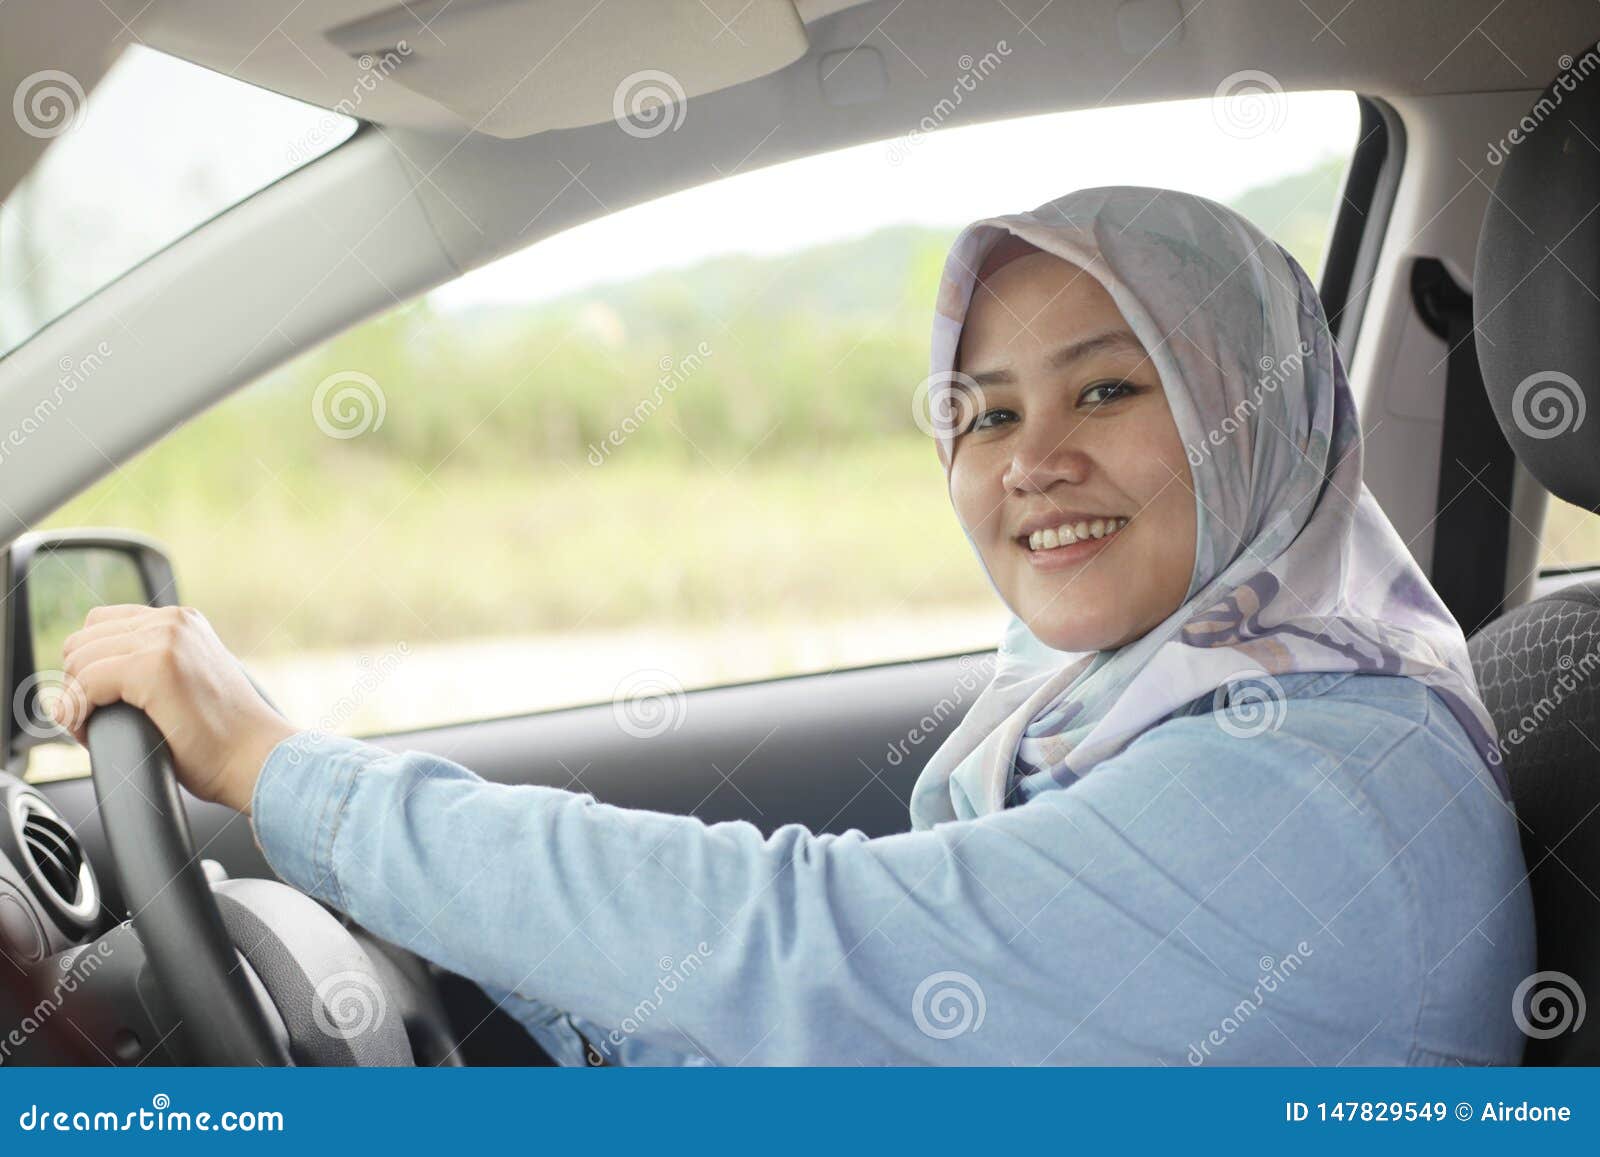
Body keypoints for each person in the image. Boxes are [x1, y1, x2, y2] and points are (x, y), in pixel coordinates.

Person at [54, 186, 1534, 1065]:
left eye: (1107, 387)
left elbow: (817, 951)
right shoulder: (1162, 709)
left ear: (1257, 414)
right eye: (981, 411)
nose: (1029, 460)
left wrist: (283, 769)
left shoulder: (1326, 784)